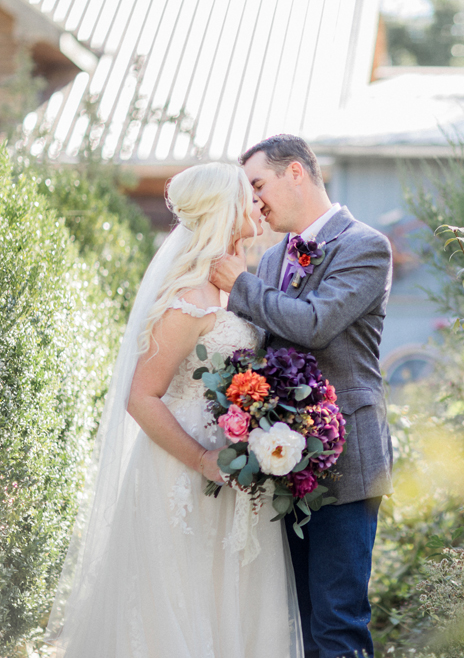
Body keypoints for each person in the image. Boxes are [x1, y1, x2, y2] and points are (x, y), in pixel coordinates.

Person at [45, 163, 303, 657]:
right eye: (247, 196)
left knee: (228, 605)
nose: (257, 204)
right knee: (181, 606)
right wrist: (203, 460)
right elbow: (141, 397)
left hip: (235, 472)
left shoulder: (233, 287)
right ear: (225, 211)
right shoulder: (190, 297)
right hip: (183, 473)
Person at [210, 134, 393, 658]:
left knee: (337, 623)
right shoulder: (269, 264)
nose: (254, 200)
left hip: (347, 458)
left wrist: (239, 284)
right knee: (298, 622)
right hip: (279, 463)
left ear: (295, 172)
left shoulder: (364, 245)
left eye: (258, 184)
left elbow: (315, 325)